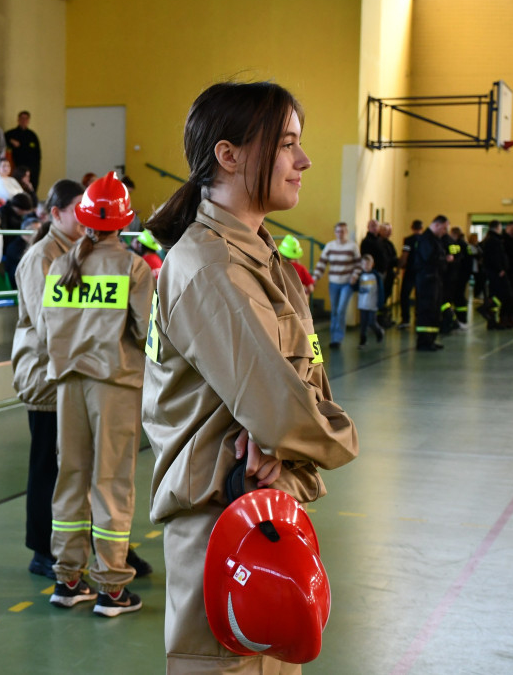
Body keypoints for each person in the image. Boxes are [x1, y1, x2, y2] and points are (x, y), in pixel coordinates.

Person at [142, 81, 358, 672]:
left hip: (267, 513)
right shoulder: (210, 265)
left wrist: (285, 451)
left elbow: (295, 390)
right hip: (222, 527)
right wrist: (335, 439)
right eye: (287, 144)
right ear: (229, 155)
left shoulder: (262, 258)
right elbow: (283, 410)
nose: (304, 160)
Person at [38, 172, 154, 617]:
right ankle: (111, 587)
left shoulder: (60, 264)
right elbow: (150, 335)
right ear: (124, 222)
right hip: (115, 385)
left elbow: (51, 326)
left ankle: (68, 578)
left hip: (67, 383)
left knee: (70, 478)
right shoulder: (133, 267)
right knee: (111, 484)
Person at [12, 179, 85, 580]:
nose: (87, 215)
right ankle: (42, 549)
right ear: (56, 214)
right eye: (79, 207)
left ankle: (92, 544)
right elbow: (47, 321)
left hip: (74, 372)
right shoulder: (41, 257)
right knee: (46, 466)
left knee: (76, 466)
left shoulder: (80, 251)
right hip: (45, 374)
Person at [312, 221, 361, 348]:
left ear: (347, 232)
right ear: (335, 233)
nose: (341, 233)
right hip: (333, 282)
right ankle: (333, 335)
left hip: (347, 283)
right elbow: (322, 264)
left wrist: (354, 276)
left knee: (340, 310)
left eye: (343, 231)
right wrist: (315, 278)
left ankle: (337, 338)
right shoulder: (330, 246)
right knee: (334, 310)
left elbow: (358, 264)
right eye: (338, 231)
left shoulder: (352, 247)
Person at [414, 214, 453, 350]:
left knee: (434, 310)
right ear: (436, 225)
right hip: (427, 279)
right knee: (426, 310)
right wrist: (445, 259)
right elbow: (430, 258)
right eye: (443, 228)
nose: (445, 232)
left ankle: (431, 339)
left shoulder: (436, 240)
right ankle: (424, 341)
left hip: (434, 278)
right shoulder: (426, 239)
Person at [481, 220, 511, 330]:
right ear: (498, 227)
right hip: (496, 272)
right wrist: (500, 269)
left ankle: (492, 320)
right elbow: (494, 257)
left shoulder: (492, 239)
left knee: (495, 295)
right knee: (505, 294)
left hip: (493, 272)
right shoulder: (493, 240)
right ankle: (486, 309)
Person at [5, 110, 41, 190]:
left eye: (26, 119)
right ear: (18, 120)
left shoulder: (32, 135)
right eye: (22, 118)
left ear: (28, 121)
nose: (23, 120)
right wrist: (11, 141)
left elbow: (38, 155)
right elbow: (3, 138)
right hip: (18, 167)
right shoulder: (11, 134)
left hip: (32, 168)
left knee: (31, 188)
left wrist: (36, 170)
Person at [398, 219, 423, 328]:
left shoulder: (408, 240)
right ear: (422, 228)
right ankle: (419, 318)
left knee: (405, 295)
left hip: (410, 271)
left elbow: (405, 255)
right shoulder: (425, 240)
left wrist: (399, 267)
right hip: (422, 272)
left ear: (412, 228)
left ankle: (406, 319)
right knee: (420, 296)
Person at [356, 254, 385, 349]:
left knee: (371, 322)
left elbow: (380, 290)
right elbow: (356, 287)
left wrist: (380, 302)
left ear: (372, 264)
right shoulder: (360, 275)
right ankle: (362, 341)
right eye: (364, 264)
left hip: (372, 304)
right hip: (362, 304)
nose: (366, 266)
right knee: (363, 324)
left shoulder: (376, 276)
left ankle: (379, 332)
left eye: (368, 264)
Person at [378, 222, 398, 326]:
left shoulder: (389, 244)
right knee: (381, 296)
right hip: (382, 274)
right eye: (387, 230)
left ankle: (384, 318)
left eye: (390, 230)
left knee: (386, 295)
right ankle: (379, 319)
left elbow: (394, 257)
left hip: (389, 273)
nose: (389, 232)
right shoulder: (378, 243)